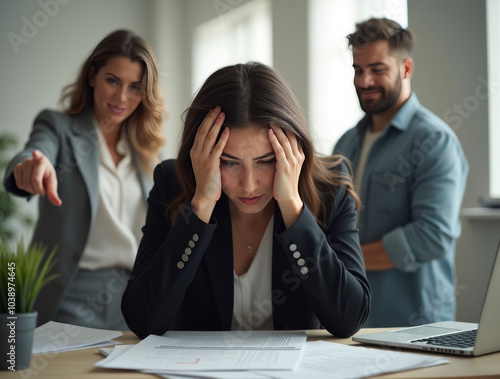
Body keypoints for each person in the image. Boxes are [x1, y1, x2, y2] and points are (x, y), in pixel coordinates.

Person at [121, 62, 371, 339]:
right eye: (229, 163)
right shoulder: (173, 185)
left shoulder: (329, 190)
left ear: (292, 152)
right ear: (201, 154)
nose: (249, 185)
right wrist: (201, 203)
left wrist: (292, 206)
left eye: (265, 161)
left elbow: (348, 319)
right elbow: (144, 320)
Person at [3, 29, 165, 330]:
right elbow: (36, 152)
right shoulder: (58, 127)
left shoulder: (147, 151)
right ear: (92, 76)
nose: (121, 97)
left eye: (135, 87)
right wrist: (29, 167)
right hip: (70, 294)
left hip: (134, 296)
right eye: (112, 80)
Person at [333, 18, 469, 327]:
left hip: (414, 325)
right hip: (352, 320)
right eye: (358, 69)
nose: (364, 81)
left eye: (377, 70)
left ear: (406, 69)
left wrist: (338, 263)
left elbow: (431, 236)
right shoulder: (345, 142)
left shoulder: (434, 141)